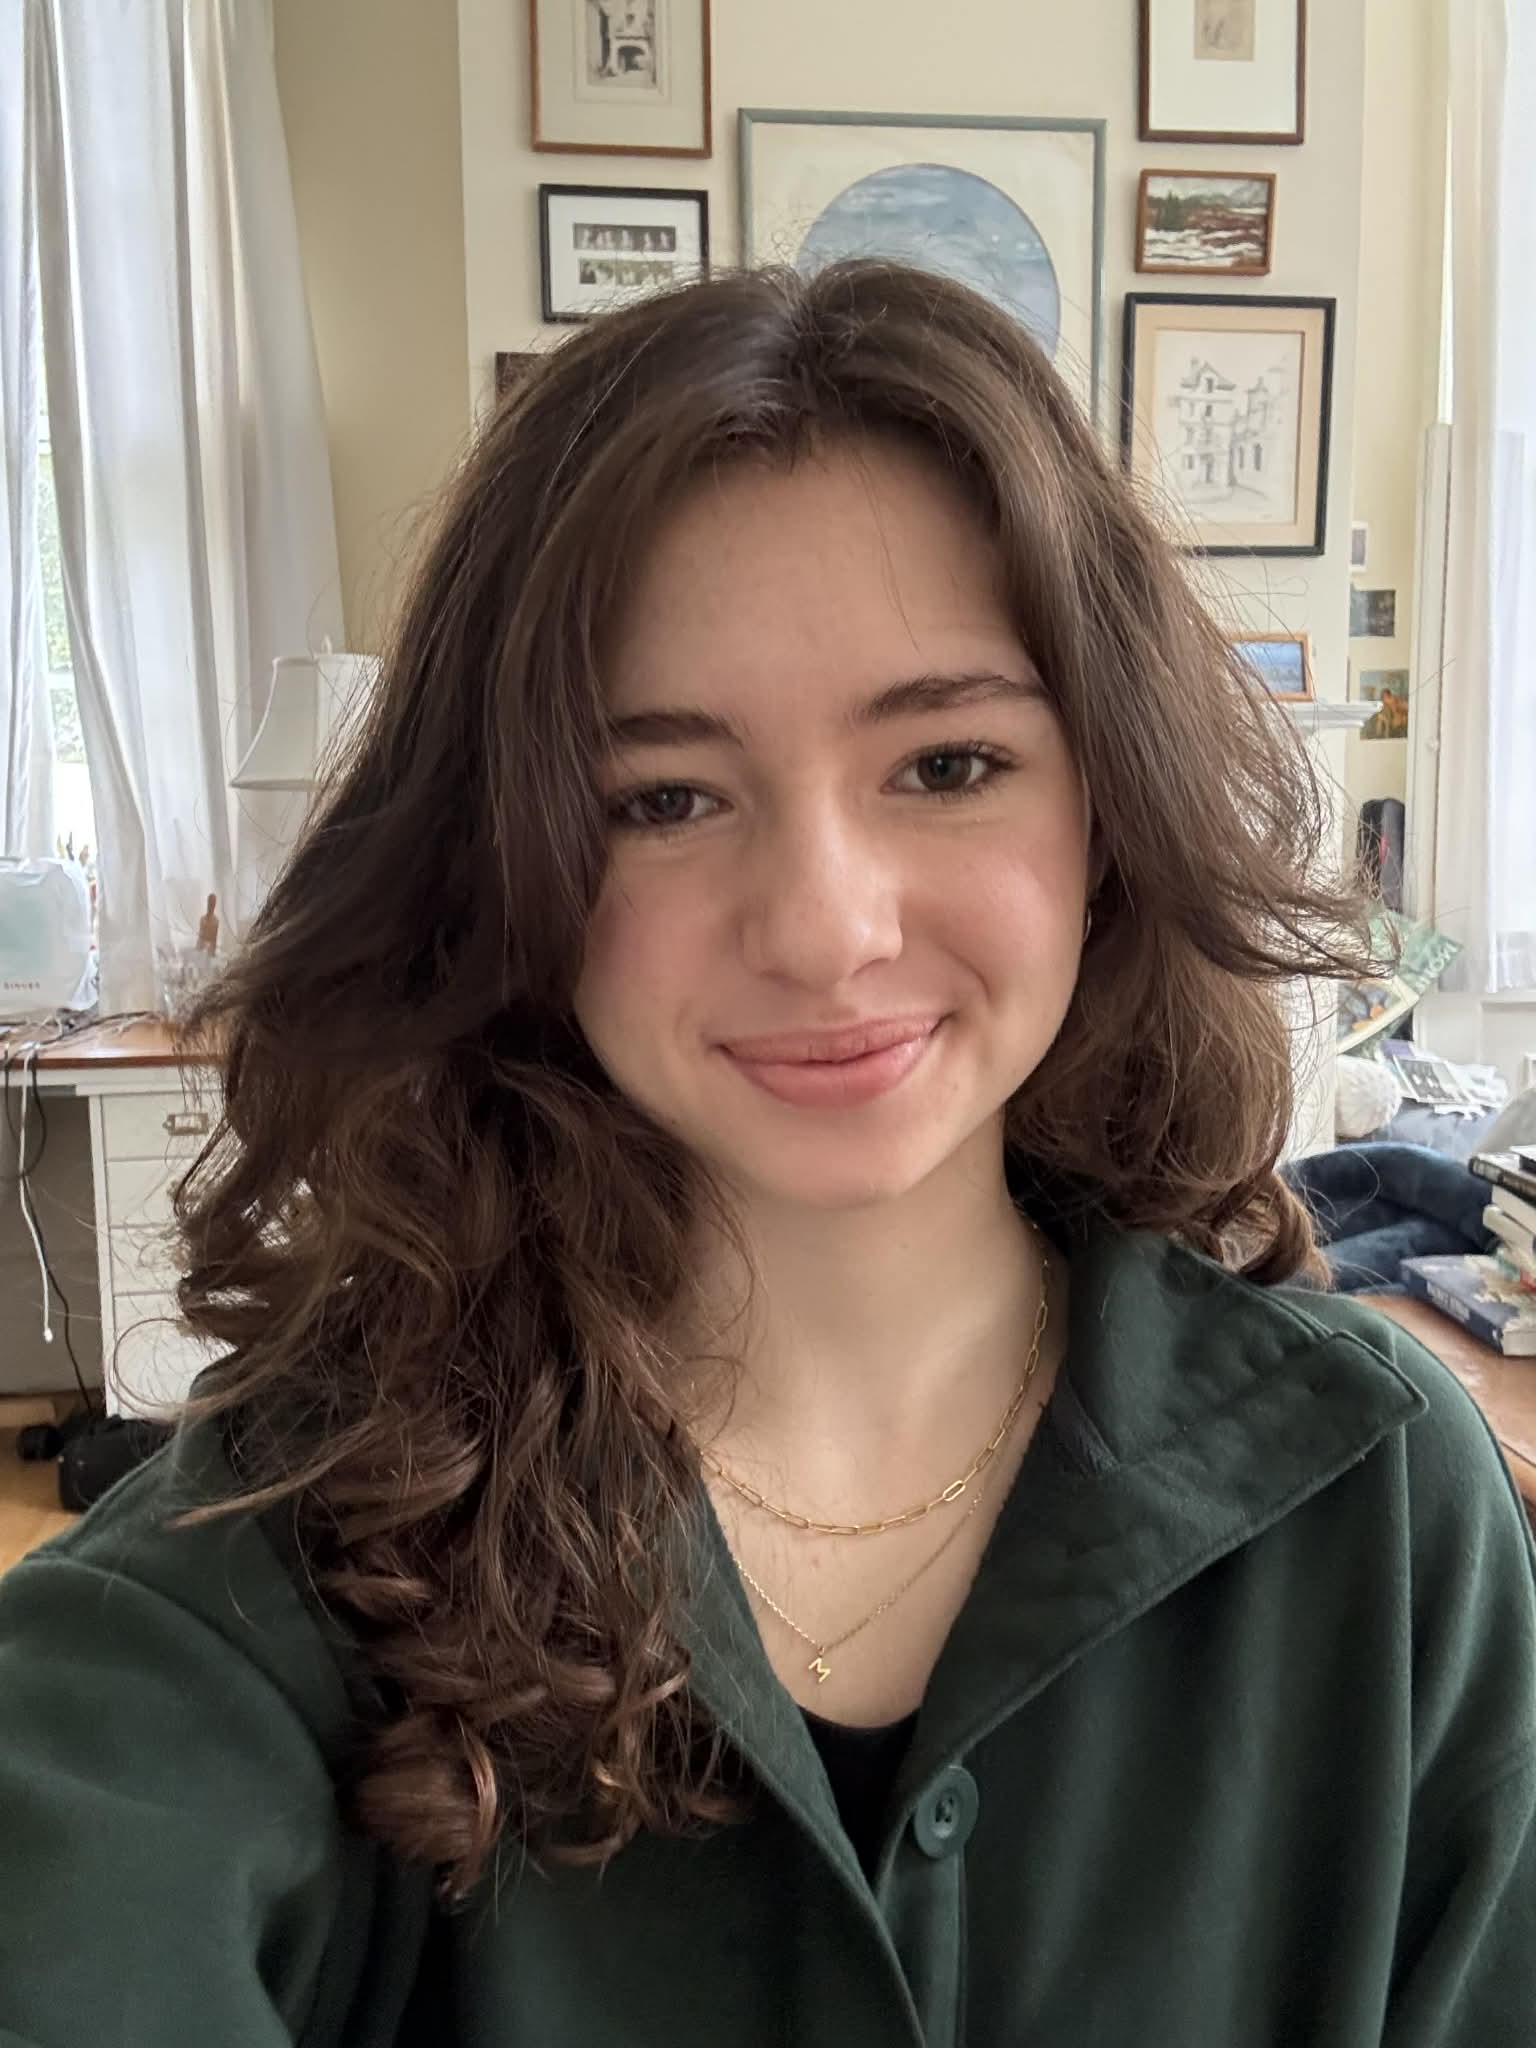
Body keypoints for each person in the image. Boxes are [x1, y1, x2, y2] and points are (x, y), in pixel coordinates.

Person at [1, 261, 1532, 2047]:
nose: (822, 928)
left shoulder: (1385, 1509)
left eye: (946, 765)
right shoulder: (266, 1581)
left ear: (1106, 809)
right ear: (509, 869)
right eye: (662, 799)